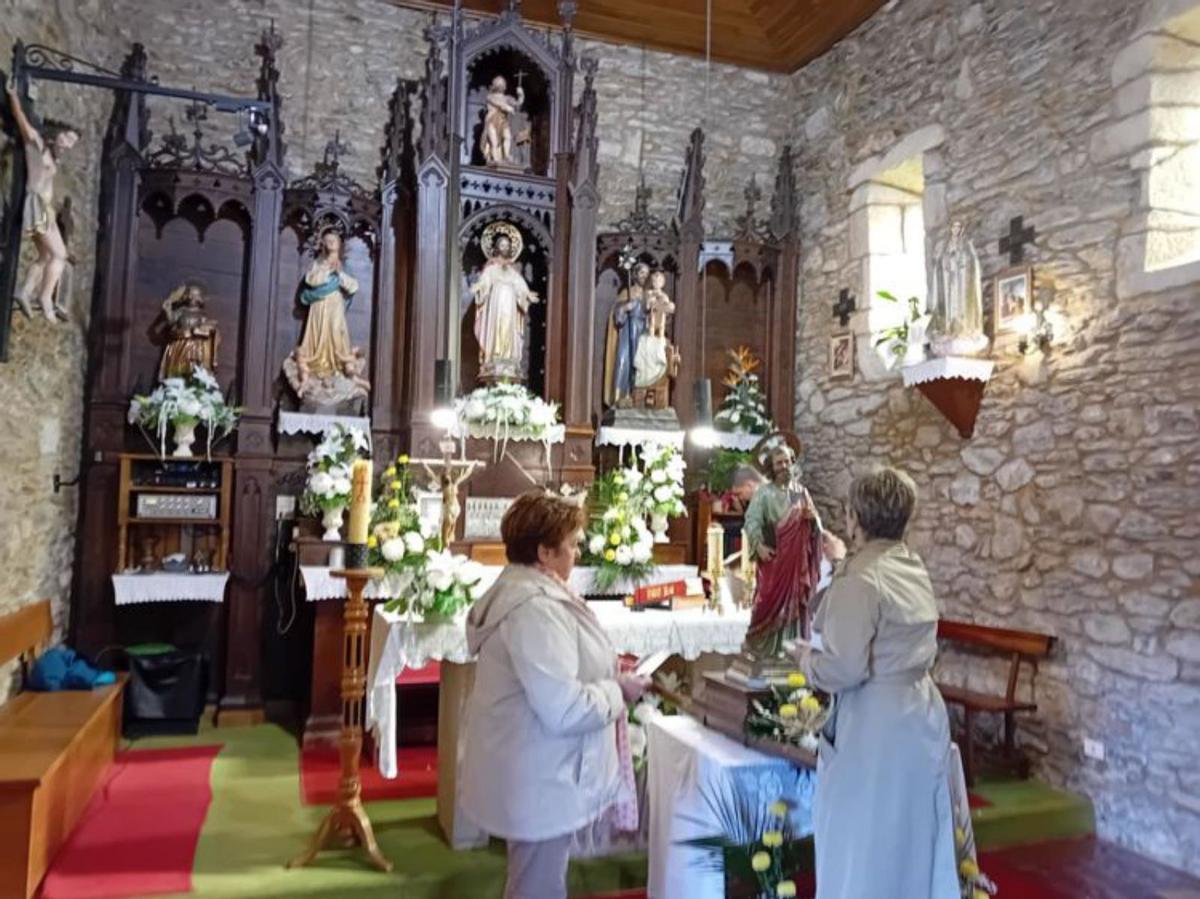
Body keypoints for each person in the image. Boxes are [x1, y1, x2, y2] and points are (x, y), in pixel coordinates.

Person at [460, 489, 649, 899]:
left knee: (534, 877)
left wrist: (605, 672)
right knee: (538, 885)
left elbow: (556, 672)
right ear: (545, 552)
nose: (577, 554)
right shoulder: (535, 609)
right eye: (572, 545)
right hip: (541, 772)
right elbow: (563, 708)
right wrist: (618, 690)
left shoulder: (527, 593)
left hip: (536, 764)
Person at [794, 467, 960, 899]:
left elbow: (845, 668)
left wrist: (807, 660)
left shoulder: (859, 578)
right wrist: (842, 558)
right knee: (909, 835)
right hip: (919, 713)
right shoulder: (908, 564)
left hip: (874, 726)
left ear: (854, 517)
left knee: (865, 840)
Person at [6, 83, 79, 322]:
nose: (68, 145)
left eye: (72, 143)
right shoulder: (36, 143)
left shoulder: (53, 157)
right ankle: (45, 298)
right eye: (67, 138)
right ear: (57, 132)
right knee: (59, 254)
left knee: (46, 256)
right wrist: (13, 95)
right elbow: (21, 121)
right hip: (36, 204)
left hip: (45, 208)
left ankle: (24, 291)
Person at [294, 230, 362, 391]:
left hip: (336, 304)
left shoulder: (343, 265)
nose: (331, 243)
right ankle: (316, 366)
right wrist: (327, 271)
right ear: (323, 244)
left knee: (336, 332)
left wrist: (339, 274)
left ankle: (338, 366)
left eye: (334, 240)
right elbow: (310, 280)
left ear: (339, 244)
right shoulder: (319, 262)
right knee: (318, 333)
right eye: (328, 240)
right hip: (319, 304)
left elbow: (353, 286)